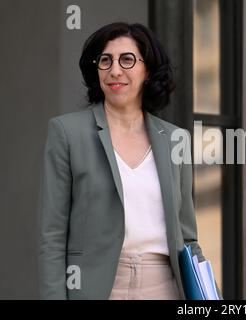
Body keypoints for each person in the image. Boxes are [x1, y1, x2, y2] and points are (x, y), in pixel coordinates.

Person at [38, 22, 217, 300]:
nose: (115, 71)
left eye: (127, 60)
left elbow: (188, 238)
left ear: (148, 70)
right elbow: (52, 236)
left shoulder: (175, 139)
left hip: (163, 286)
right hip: (96, 287)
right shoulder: (67, 133)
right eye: (105, 60)